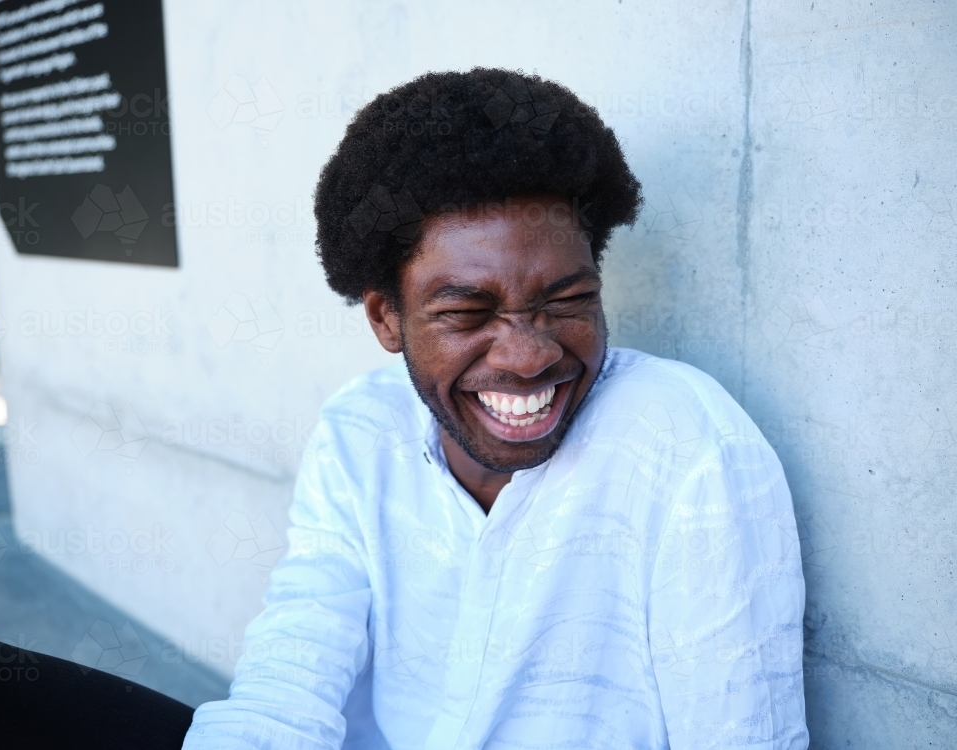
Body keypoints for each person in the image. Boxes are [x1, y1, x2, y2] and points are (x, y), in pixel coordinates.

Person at [183, 68, 809, 749]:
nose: (527, 355)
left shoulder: (686, 450)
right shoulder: (359, 430)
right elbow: (291, 670)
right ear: (386, 317)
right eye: (465, 311)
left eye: (567, 302)